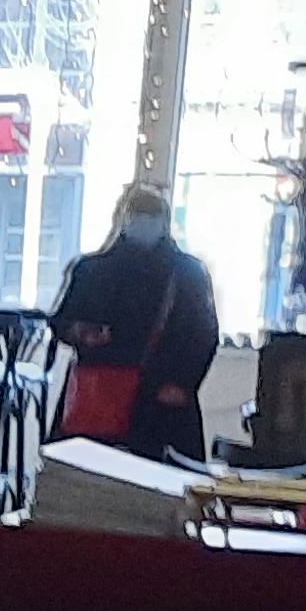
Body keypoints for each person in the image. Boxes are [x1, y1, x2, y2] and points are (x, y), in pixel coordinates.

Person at [46, 183, 217, 460]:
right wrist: (182, 384)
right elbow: (204, 334)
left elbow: (202, 334)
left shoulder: (91, 270)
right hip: (155, 398)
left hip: (112, 396)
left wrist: (182, 383)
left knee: (88, 476)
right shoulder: (188, 272)